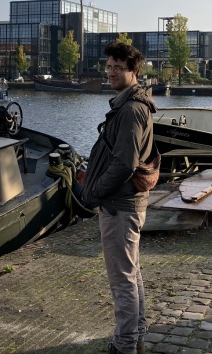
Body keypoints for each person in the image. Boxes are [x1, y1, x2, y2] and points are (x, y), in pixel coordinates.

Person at [81, 42, 157, 354]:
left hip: (119, 207)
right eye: (109, 66)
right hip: (125, 204)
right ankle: (135, 339)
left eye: (118, 68)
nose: (111, 72)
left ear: (133, 71)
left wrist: (95, 191)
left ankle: (124, 346)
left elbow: (125, 164)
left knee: (122, 280)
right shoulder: (130, 105)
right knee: (131, 274)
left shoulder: (130, 110)